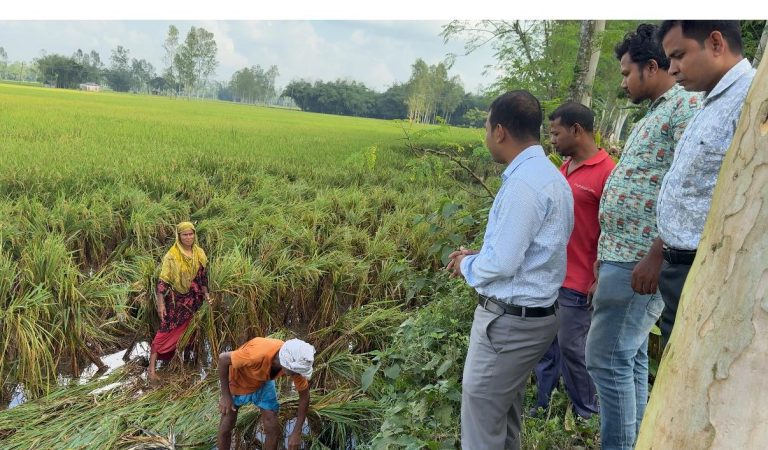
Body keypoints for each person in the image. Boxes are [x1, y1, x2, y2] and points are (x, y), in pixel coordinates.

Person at [585, 24, 699, 450]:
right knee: (628, 358)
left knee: (605, 359)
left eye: (625, 73)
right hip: (623, 256)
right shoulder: (657, 111)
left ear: (652, 67)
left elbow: (687, 185)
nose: (622, 82)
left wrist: (657, 252)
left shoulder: (684, 105)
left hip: (640, 261)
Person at [446, 90, 573, 450]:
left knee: (482, 422)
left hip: (509, 325)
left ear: (500, 131)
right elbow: (531, 250)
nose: (485, 135)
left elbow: (502, 263)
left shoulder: (523, 185)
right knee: (504, 416)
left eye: (486, 127)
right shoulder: (547, 174)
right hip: (533, 318)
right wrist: (482, 254)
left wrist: (466, 263)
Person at [656, 20, 756, 348]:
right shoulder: (711, 101)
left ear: (715, 43)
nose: (672, 69)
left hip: (712, 272)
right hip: (685, 269)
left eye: (679, 55)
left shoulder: (752, 101)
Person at [532, 102, 615, 419]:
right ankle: (543, 402)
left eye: (556, 133)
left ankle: (586, 411)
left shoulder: (608, 172)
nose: (552, 140)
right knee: (545, 345)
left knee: (572, 348)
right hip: (552, 276)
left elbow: (613, 229)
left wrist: (599, 276)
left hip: (580, 280)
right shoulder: (564, 168)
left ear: (577, 130)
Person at [217, 337, 314, 450]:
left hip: (263, 381)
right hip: (238, 380)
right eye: (294, 372)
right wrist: (225, 396)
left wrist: (297, 431)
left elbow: (304, 396)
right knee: (227, 425)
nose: (296, 375)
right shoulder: (255, 356)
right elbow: (223, 359)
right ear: (285, 363)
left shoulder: (295, 362)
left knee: (272, 427)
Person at [148, 221, 211, 381]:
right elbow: (163, 281)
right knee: (164, 331)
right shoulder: (172, 256)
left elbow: (203, 278)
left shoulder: (199, 253)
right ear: (179, 236)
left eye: (191, 234)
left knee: (190, 331)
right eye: (185, 234)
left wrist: (207, 295)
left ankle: (186, 361)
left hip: (194, 300)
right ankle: (151, 370)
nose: (188, 237)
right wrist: (161, 304)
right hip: (177, 301)